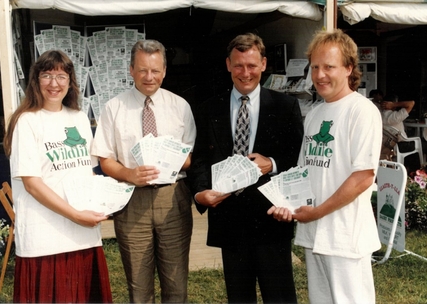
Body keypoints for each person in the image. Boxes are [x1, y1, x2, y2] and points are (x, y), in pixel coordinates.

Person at [268, 29, 382, 304]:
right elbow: (304, 172)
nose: (319, 75)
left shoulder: (362, 111)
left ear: (348, 68)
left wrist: (317, 212)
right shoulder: (316, 113)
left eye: (329, 67)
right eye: (315, 67)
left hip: (345, 237)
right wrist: (288, 205)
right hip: (314, 234)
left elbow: (363, 177)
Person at [189, 33, 303, 303]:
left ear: (264, 64)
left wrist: (272, 163)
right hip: (230, 220)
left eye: (252, 65)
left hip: (272, 218)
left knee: (280, 296)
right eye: (238, 65)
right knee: (239, 297)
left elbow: (297, 158)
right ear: (228, 64)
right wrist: (200, 192)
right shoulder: (208, 109)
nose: (245, 73)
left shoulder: (286, 106)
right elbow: (201, 160)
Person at [2, 50, 112, 303]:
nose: (54, 84)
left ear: (70, 81)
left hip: (83, 235)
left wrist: (106, 202)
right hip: (45, 238)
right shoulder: (26, 121)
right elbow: (32, 184)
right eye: (47, 75)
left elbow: (88, 172)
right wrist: (76, 215)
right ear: (35, 80)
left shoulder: (80, 118)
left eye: (61, 76)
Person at [91, 39, 196, 303]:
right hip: (131, 200)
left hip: (172, 199)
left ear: (164, 71)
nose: (149, 77)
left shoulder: (180, 106)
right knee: (138, 286)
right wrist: (130, 175)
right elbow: (105, 158)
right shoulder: (114, 108)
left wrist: (174, 159)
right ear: (131, 70)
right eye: (142, 70)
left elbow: (192, 157)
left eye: (155, 70)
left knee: (176, 284)